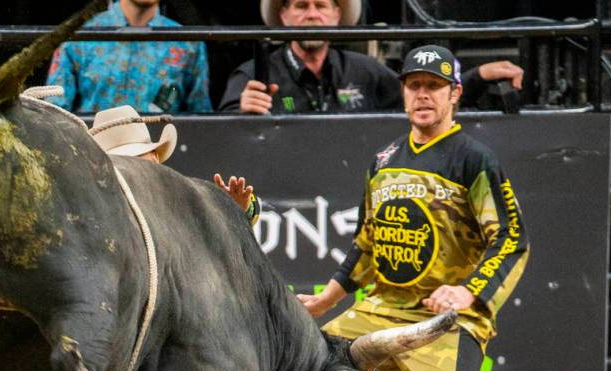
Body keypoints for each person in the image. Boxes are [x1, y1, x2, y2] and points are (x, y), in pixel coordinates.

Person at [297, 44, 530, 371]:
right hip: (380, 310)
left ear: (455, 93)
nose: (422, 94)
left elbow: (511, 238)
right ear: (403, 92)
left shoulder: (474, 159)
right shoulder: (384, 160)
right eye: (414, 85)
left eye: (434, 86)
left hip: (447, 322)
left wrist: (466, 292)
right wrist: (326, 300)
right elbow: (367, 244)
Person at [218, 0, 524, 114]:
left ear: (337, 15)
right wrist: (240, 115)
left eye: (321, 6)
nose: (312, 15)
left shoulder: (365, 70)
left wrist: (478, 76)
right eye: (301, 5)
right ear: (283, 15)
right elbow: (220, 136)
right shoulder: (254, 75)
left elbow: (418, 101)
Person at [90, 103, 261, 223]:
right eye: (121, 162)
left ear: (154, 158)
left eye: (138, 158)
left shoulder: (180, 198)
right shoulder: (94, 215)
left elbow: (244, 216)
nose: (132, 170)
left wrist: (235, 208)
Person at [44, 0, 212, 115]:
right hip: (92, 154)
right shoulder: (78, 38)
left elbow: (200, 117)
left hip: (158, 156)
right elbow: (53, 112)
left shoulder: (187, 43)